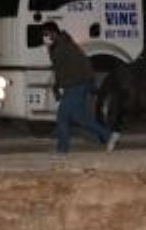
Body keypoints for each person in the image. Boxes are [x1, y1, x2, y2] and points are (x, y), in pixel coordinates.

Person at [41, 22, 120, 155]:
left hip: (76, 85)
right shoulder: (62, 44)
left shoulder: (62, 47)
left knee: (62, 117)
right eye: (43, 35)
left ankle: (62, 149)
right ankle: (109, 136)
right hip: (77, 84)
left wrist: (59, 87)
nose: (44, 38)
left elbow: (62, 69)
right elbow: (66, 68)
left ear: (54, 33)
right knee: (81, 118)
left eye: (46, 34)